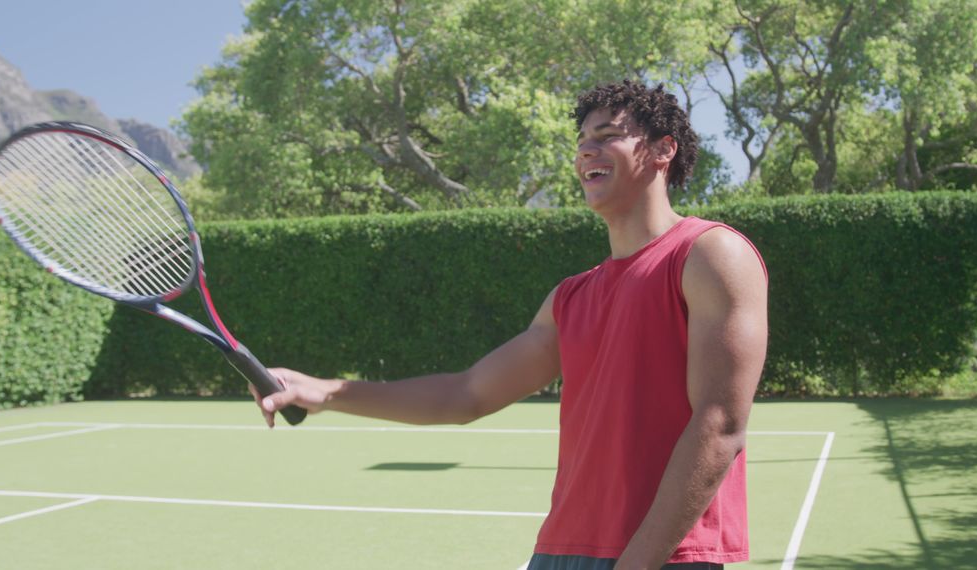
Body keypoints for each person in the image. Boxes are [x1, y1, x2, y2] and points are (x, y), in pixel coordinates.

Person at [252, 80, 769, 570]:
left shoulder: (711, 254)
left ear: (663, 150)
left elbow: (719, 425)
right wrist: (326, 391)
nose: (587, 150)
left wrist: (635, 564)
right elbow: (466, 394)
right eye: (582, 141)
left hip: (663, 555)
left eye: (608, 136)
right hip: (561, 549)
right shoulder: (570, 298)